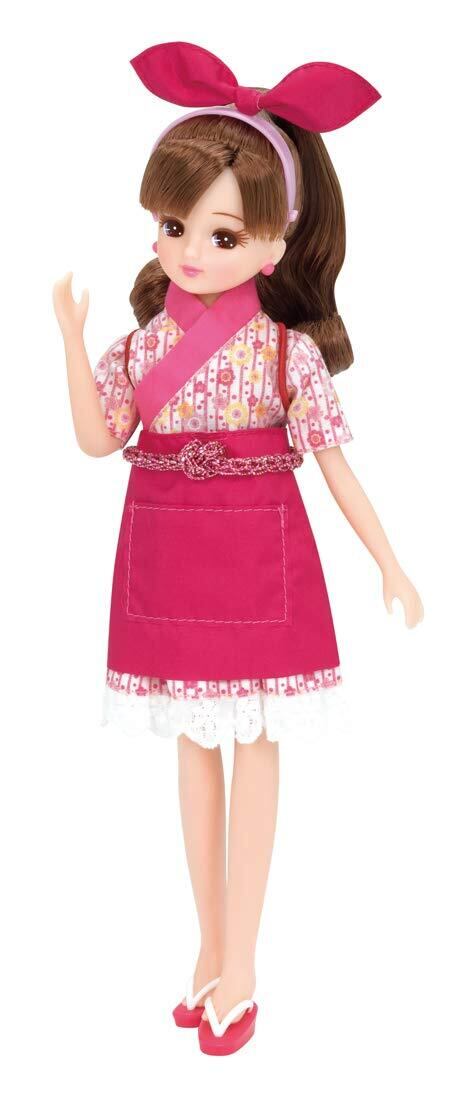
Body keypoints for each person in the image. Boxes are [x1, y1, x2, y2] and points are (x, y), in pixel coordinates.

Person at [52, 41, 424, 1056]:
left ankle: (244, 962)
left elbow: (335, 466)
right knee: (193, 751)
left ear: (272, 245)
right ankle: (207, 951)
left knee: (255, 745)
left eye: (220, 234)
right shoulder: (138, 344)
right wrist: (67, 341)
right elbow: (97, 439)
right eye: (174, 227)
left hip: (261, 553)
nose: (189, 251)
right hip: (165, 549)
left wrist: (388, 560)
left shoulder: (286, 351)